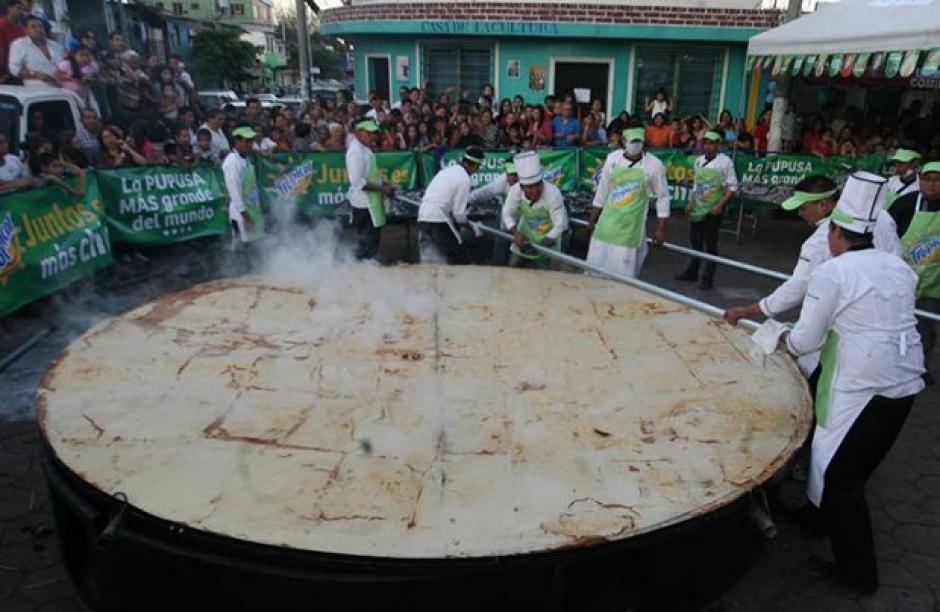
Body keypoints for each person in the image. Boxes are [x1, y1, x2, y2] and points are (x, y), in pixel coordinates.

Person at [782, 172, 925, 595]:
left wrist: (781, 336)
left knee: (843, 478)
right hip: (903, 380)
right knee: (834, 457)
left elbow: (805, 338)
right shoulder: (897, 266)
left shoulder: (835, 272)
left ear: (836, 231)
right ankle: (814, 519)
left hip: (862, 383)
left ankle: (859, 575)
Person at [724, 175, 902, 357]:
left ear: (823, 206)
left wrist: (752, 311)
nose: (800, 214)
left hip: (849, 341)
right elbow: (896, 258)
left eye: (803, 208)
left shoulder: (820, 243)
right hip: (893, 332)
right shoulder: (884, 219)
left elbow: (798, 288)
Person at [586, 126, 670, 278]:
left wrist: (661, 229)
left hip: (631, 228)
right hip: (607, 224)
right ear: (623, 141)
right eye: (632, 141)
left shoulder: (654, 165)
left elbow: (663, 197)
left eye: (638, 141)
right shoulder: (613, 159)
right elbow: (602, 191)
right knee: (596, 266)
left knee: (623, 273)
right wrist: (592, 220)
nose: (635, 145)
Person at [890, 161, 940, 382]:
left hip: (933, 282)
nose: (931, 184)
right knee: (893, 324)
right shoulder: (905, 204)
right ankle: (892, 365)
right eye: (927, 178)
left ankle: (920, 368)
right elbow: (885, 233)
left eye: (937, 180)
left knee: (925, 329)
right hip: (900, 279)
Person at [674, 131, 737, 290]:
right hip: (698, 207)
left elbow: (732, 187)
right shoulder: (699, 161)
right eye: (706, 143)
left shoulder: (725, 162)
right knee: (695, 241)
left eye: (712, 143)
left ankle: (708, 277)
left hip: (714, 208)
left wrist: (720, 205)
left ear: (718, 145)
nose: (709, 146)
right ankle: (692, 271)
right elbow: (697, 184)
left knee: (710, 242)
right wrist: (691, 201)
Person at [501, 151, 568, 268]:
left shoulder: (553, 193)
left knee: (552, 273)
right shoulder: (515, 191)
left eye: (538, 185)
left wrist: (542, 244)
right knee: (513, 267)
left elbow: (561, 224)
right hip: (525, 233)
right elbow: (507, 213)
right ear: (522, 187)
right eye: (529, 187)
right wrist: (516, 233)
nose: (535, 191)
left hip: (549, 236)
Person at [417, 146, 483, 264]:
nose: (477, 171)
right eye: (477, 168)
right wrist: (473, 227)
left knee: (429, 260)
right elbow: (459, 216)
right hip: (438, 219)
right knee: (458, 260)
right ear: (474, 166)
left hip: (423, 216)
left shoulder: (447, 170)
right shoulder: (464, 179)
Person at [346, 118, 395, 260]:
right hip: (363, 205)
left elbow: (372, 173)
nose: (373, 136)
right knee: (366, 244)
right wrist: (382, 189)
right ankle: (360, 270)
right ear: (359, 132)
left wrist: (384, 183)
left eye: (374, 133)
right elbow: (357, 181)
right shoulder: (355, 152)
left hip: (371, 202)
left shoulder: (365, 149)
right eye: (369, 133)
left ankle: (369, 268)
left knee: (373, 242)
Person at [222, 126, 265, 247]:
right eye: (247, 141)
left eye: (251, 141)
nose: (250, 144)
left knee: (255, 246)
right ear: (237, 141)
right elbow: (234, 192)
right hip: (240, 213)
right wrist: (245, 217)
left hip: (252, 209)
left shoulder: (245, 159)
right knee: (242, 248)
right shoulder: (232, 162)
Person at [8, 15, 63, 86]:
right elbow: (14, 69)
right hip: (36, 93)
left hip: (62, 92)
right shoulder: (19, 45)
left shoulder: (56, 46)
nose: (38, 29)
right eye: (33, 27)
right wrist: (36, 74)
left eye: (40, 26)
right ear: (25, 30)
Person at [0, 1, 25, 82]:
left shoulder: (21, 28)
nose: (21, 12)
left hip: (18, 69)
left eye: (23, 9)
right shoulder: (1, 24)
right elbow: (1, 48)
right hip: (5, 70)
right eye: (18, 8)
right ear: (9, 8)